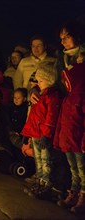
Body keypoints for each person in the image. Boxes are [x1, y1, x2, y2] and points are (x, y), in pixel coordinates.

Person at [53, 20, 85, 213]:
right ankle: (73, 191)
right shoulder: (62, 60)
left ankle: (83, 195)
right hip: (69, 111)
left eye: (67, 36)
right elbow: (62, 86)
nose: (63, 41)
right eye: (61, 39)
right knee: (72, 162)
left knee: (82, 162)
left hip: (79, 113)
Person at [21, 64, 62, 200]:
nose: (38, 83)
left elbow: (50, 118)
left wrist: (46, 134)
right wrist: (27, 133)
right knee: (38, 160)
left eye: (41, 81)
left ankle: (46, 184)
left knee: (46, 161)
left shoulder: (52, 97)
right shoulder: (40, 95)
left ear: (49, 80)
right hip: (35, 133)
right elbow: (33, 116)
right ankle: (39, 181)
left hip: (43, 134)